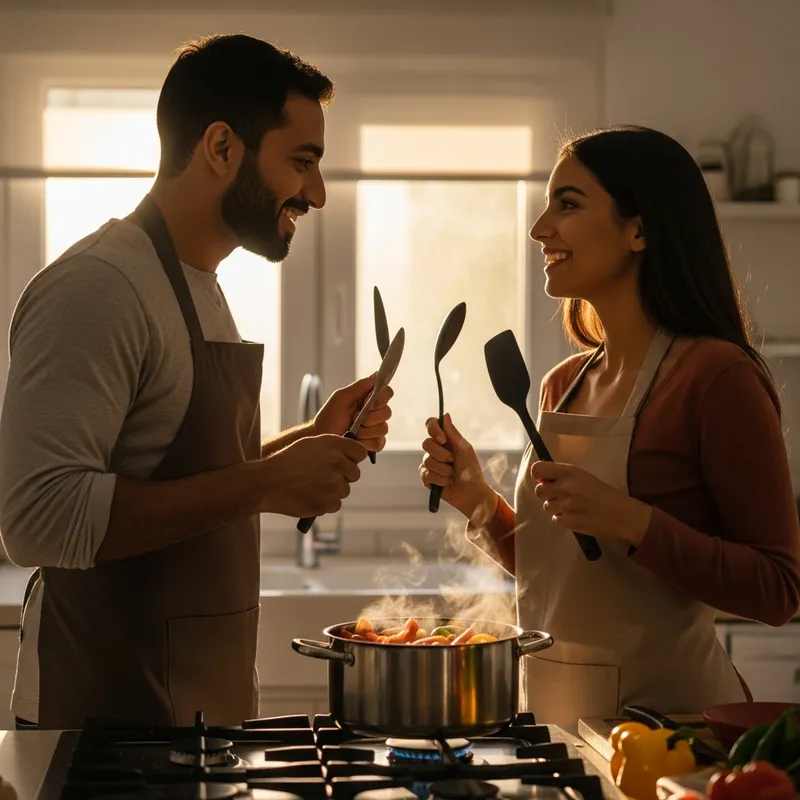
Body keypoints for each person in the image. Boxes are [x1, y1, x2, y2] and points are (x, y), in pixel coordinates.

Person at [0, 34, 393, 730]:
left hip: (197, 721)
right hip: (102, 729)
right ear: (221, 147)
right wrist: (266, 484)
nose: (317, 193)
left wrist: (304, 442)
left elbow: (172, 469)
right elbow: (38, 519)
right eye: (302, 161)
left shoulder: (198, 283)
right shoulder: (98, 287)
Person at [420, 126, 800, 726]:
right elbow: (566, 573)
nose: (539, 228)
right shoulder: (562, 384)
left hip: (672, 733)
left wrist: (630, 520)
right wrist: (479, 502)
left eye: (568, 205)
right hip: (557, 723)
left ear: (639, 230)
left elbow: (777, 590)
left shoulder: (716, 377)